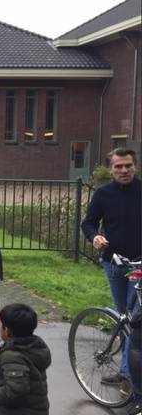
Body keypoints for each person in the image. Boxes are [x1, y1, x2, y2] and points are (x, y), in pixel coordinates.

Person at [81, 147, 141, 402]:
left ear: (135, 166)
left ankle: (129, 374)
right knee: (125, 317)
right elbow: (88, 222)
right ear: (111, 169)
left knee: (135, 317)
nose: (124, 170)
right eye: (118, 166)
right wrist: (94, 236)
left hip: (140, 263)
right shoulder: (103, 194)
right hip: (114, 262)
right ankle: (129, 371)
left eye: (128, 166)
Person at [0, 303, 51, 415]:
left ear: (6, 331)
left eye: (0, 325)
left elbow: (15, 391)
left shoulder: (12, 356)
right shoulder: (34, 348)